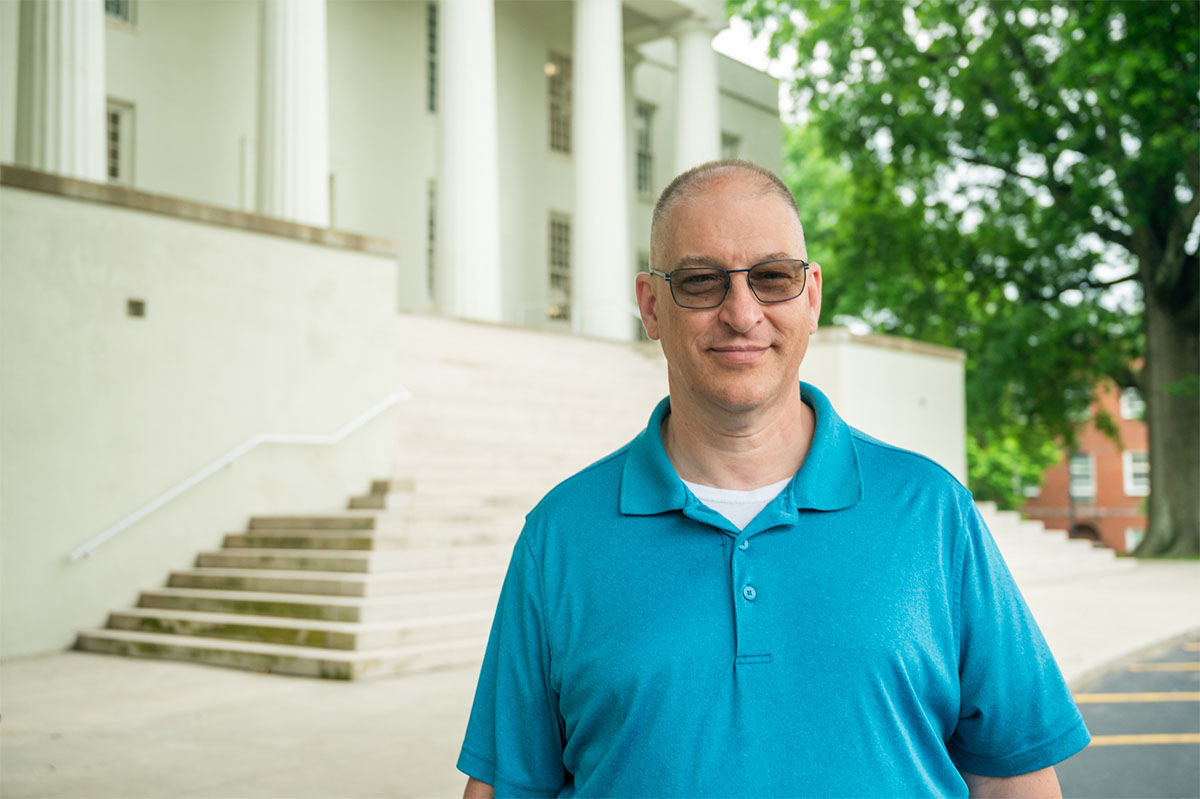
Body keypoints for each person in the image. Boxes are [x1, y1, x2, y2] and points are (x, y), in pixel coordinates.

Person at [457, 160, 1089, 798]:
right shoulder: (561, 536)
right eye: (701, 281)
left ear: (811, 296)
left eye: (772, 278)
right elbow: (505, 788)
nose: (741, 312)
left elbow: (1016, 782)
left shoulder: (931, 512)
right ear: (650, 306)